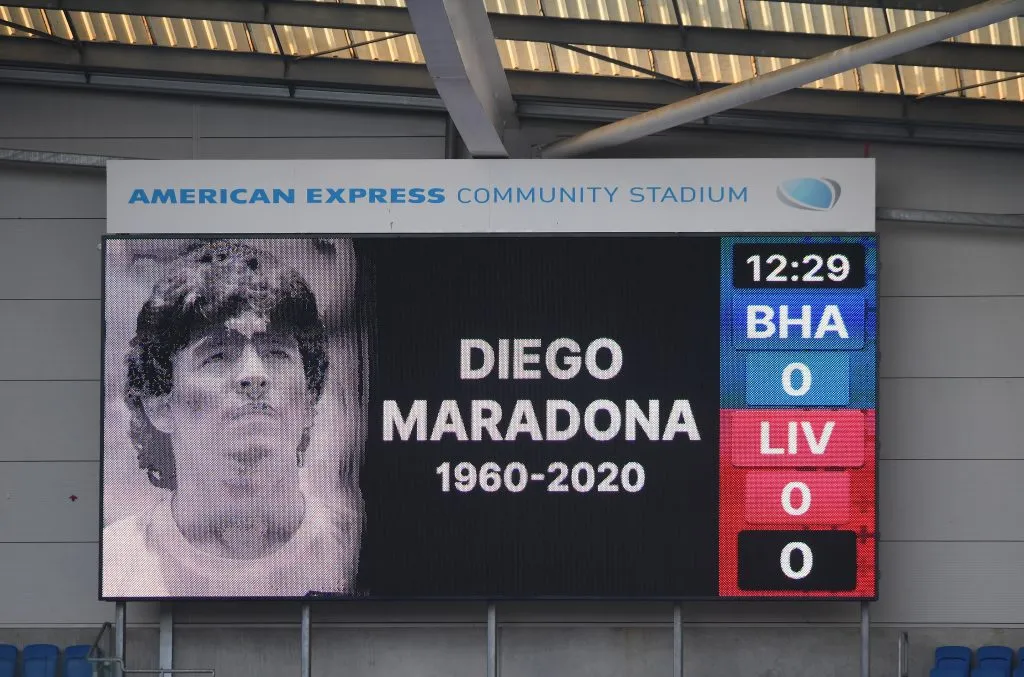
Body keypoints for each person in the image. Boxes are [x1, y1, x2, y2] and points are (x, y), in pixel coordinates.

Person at [102, 239, 361, 597]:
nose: (254, 375)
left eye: (276, 352)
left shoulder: (359, 556)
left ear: (310, 397)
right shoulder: (115, 563)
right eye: (218, 355)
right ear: (160, 405)